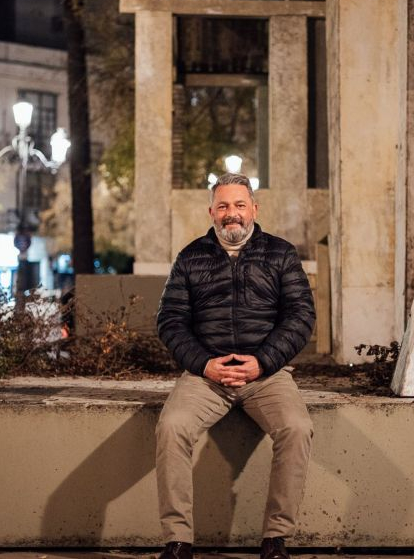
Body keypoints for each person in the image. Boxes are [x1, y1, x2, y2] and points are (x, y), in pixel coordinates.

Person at [155, 172, 316, 559]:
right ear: (211, 211)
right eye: (223, 206)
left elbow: (301, 315)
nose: (232, 213)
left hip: (266, 375)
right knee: (172, 427)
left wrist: (263, 362)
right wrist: (204, 364)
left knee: (297, 428)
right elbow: (170, 321)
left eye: (240, 205)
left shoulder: (280, 254)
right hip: (206, 376)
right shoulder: (190, 257)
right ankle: (178, 540)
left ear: (254, 209)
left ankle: (276, 538)